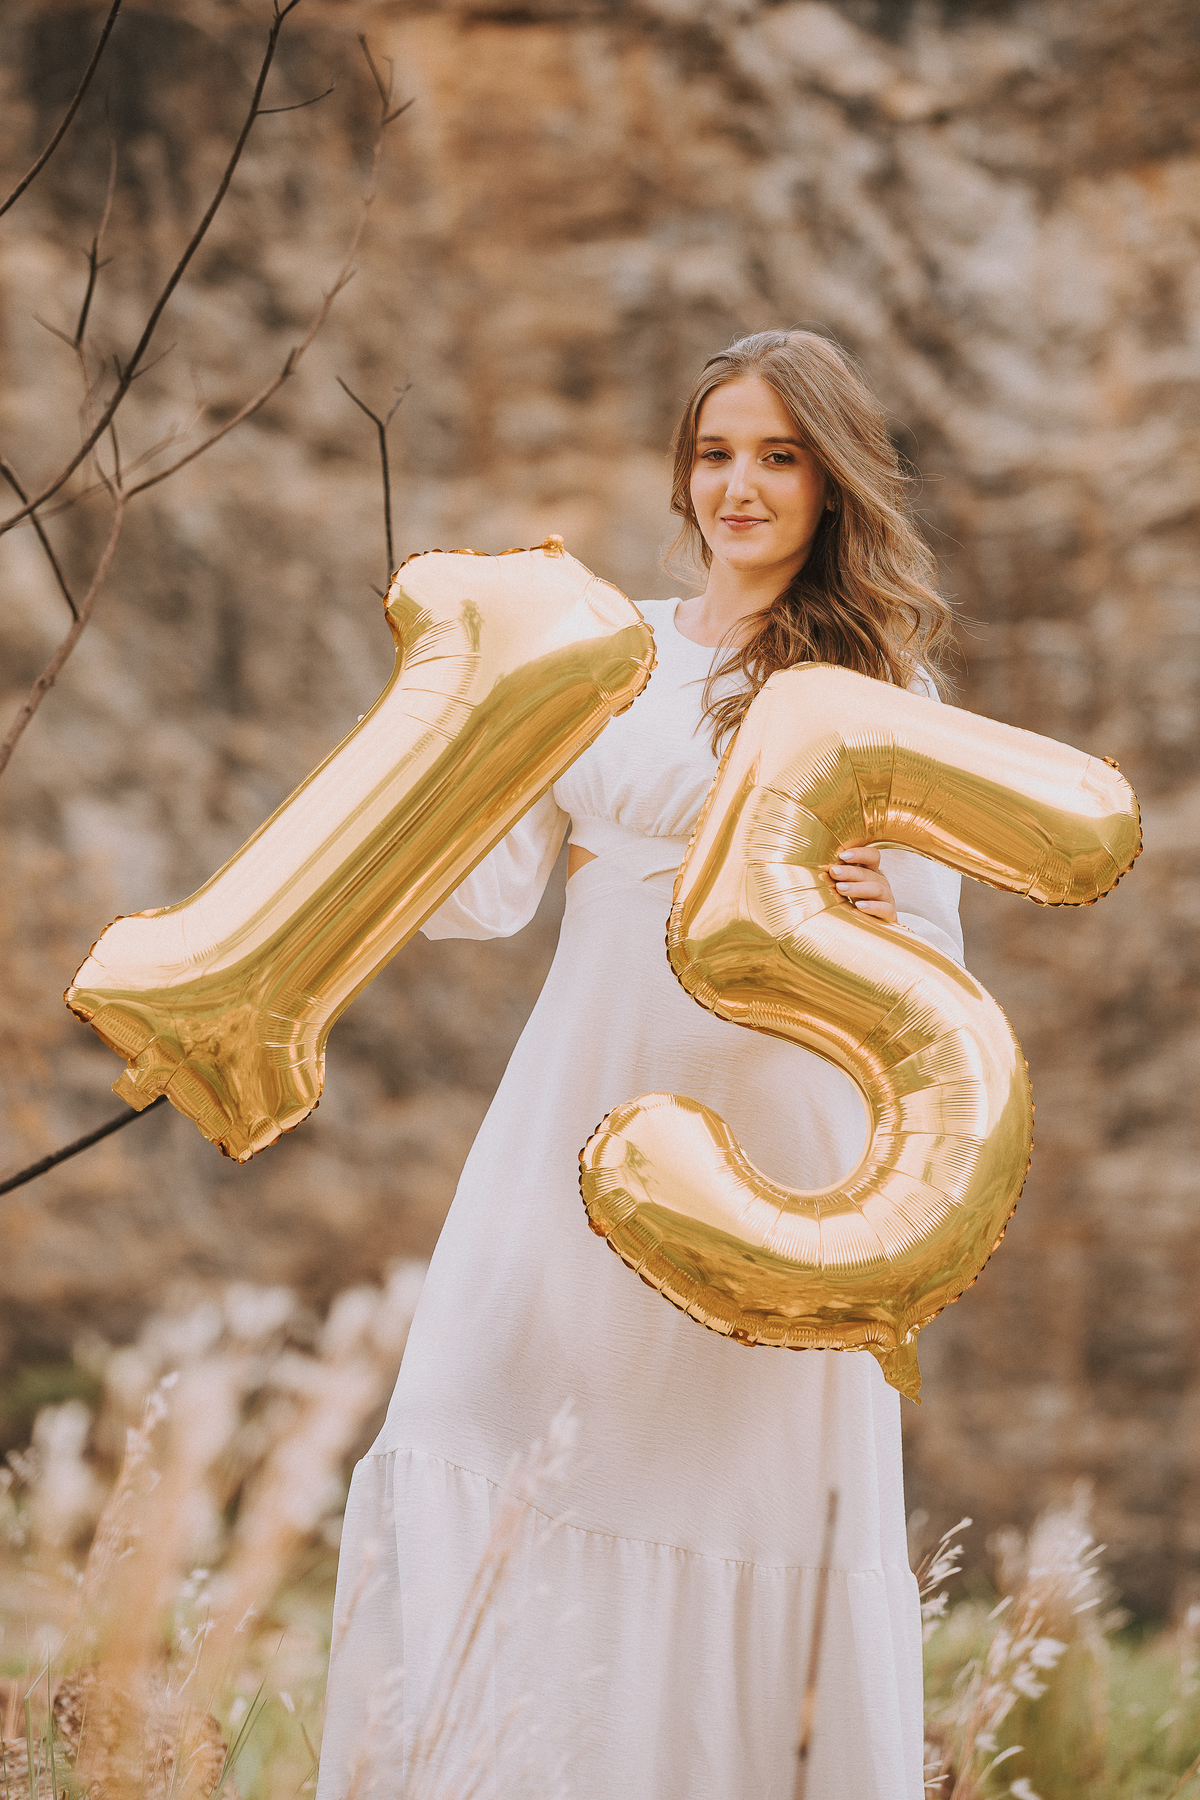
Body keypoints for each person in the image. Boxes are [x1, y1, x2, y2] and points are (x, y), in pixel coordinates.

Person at [316, 330, 961, 1800]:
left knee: (751, 1501)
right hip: (584, 1103)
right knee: (465, 1409)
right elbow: (487, 898)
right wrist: (434, 734)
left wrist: (886, 910)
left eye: (779, 457)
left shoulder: (887, 689)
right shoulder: (615, 655)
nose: (741, 485)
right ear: (683, 472)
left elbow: (940, 969)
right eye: (716, 452)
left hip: (781, 1153)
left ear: (831, 484)